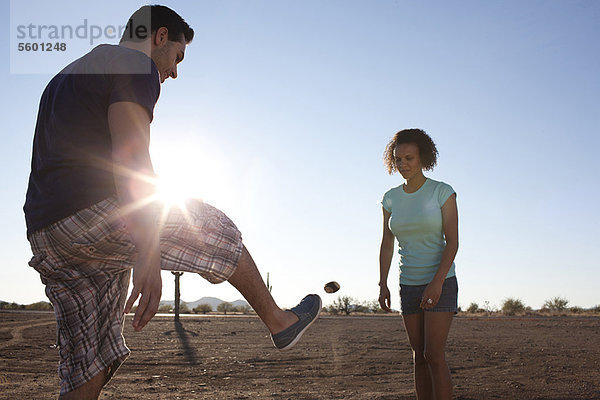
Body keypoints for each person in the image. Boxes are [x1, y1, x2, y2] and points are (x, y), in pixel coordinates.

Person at [23, 5, 320, 399]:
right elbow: (131, 159)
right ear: (160, 37)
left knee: (88, 361)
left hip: (47, 234)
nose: (174, 71)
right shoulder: (133, 61)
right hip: (94, 213)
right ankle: (279, 321)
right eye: (177, 57)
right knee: (214, 228)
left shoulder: (67, 75)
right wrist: (147, 252)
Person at [378, 128, 459, 400]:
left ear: (423, 157)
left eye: (409, 158)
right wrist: (383, 283)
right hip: (407, 285)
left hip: (441, 282)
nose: (403, 165)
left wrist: (436, 283)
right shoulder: (390, 198)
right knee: (418, 357)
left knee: (433, 354)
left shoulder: (442, 192)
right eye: (398, 159)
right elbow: (387, 243)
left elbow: (453, 243)